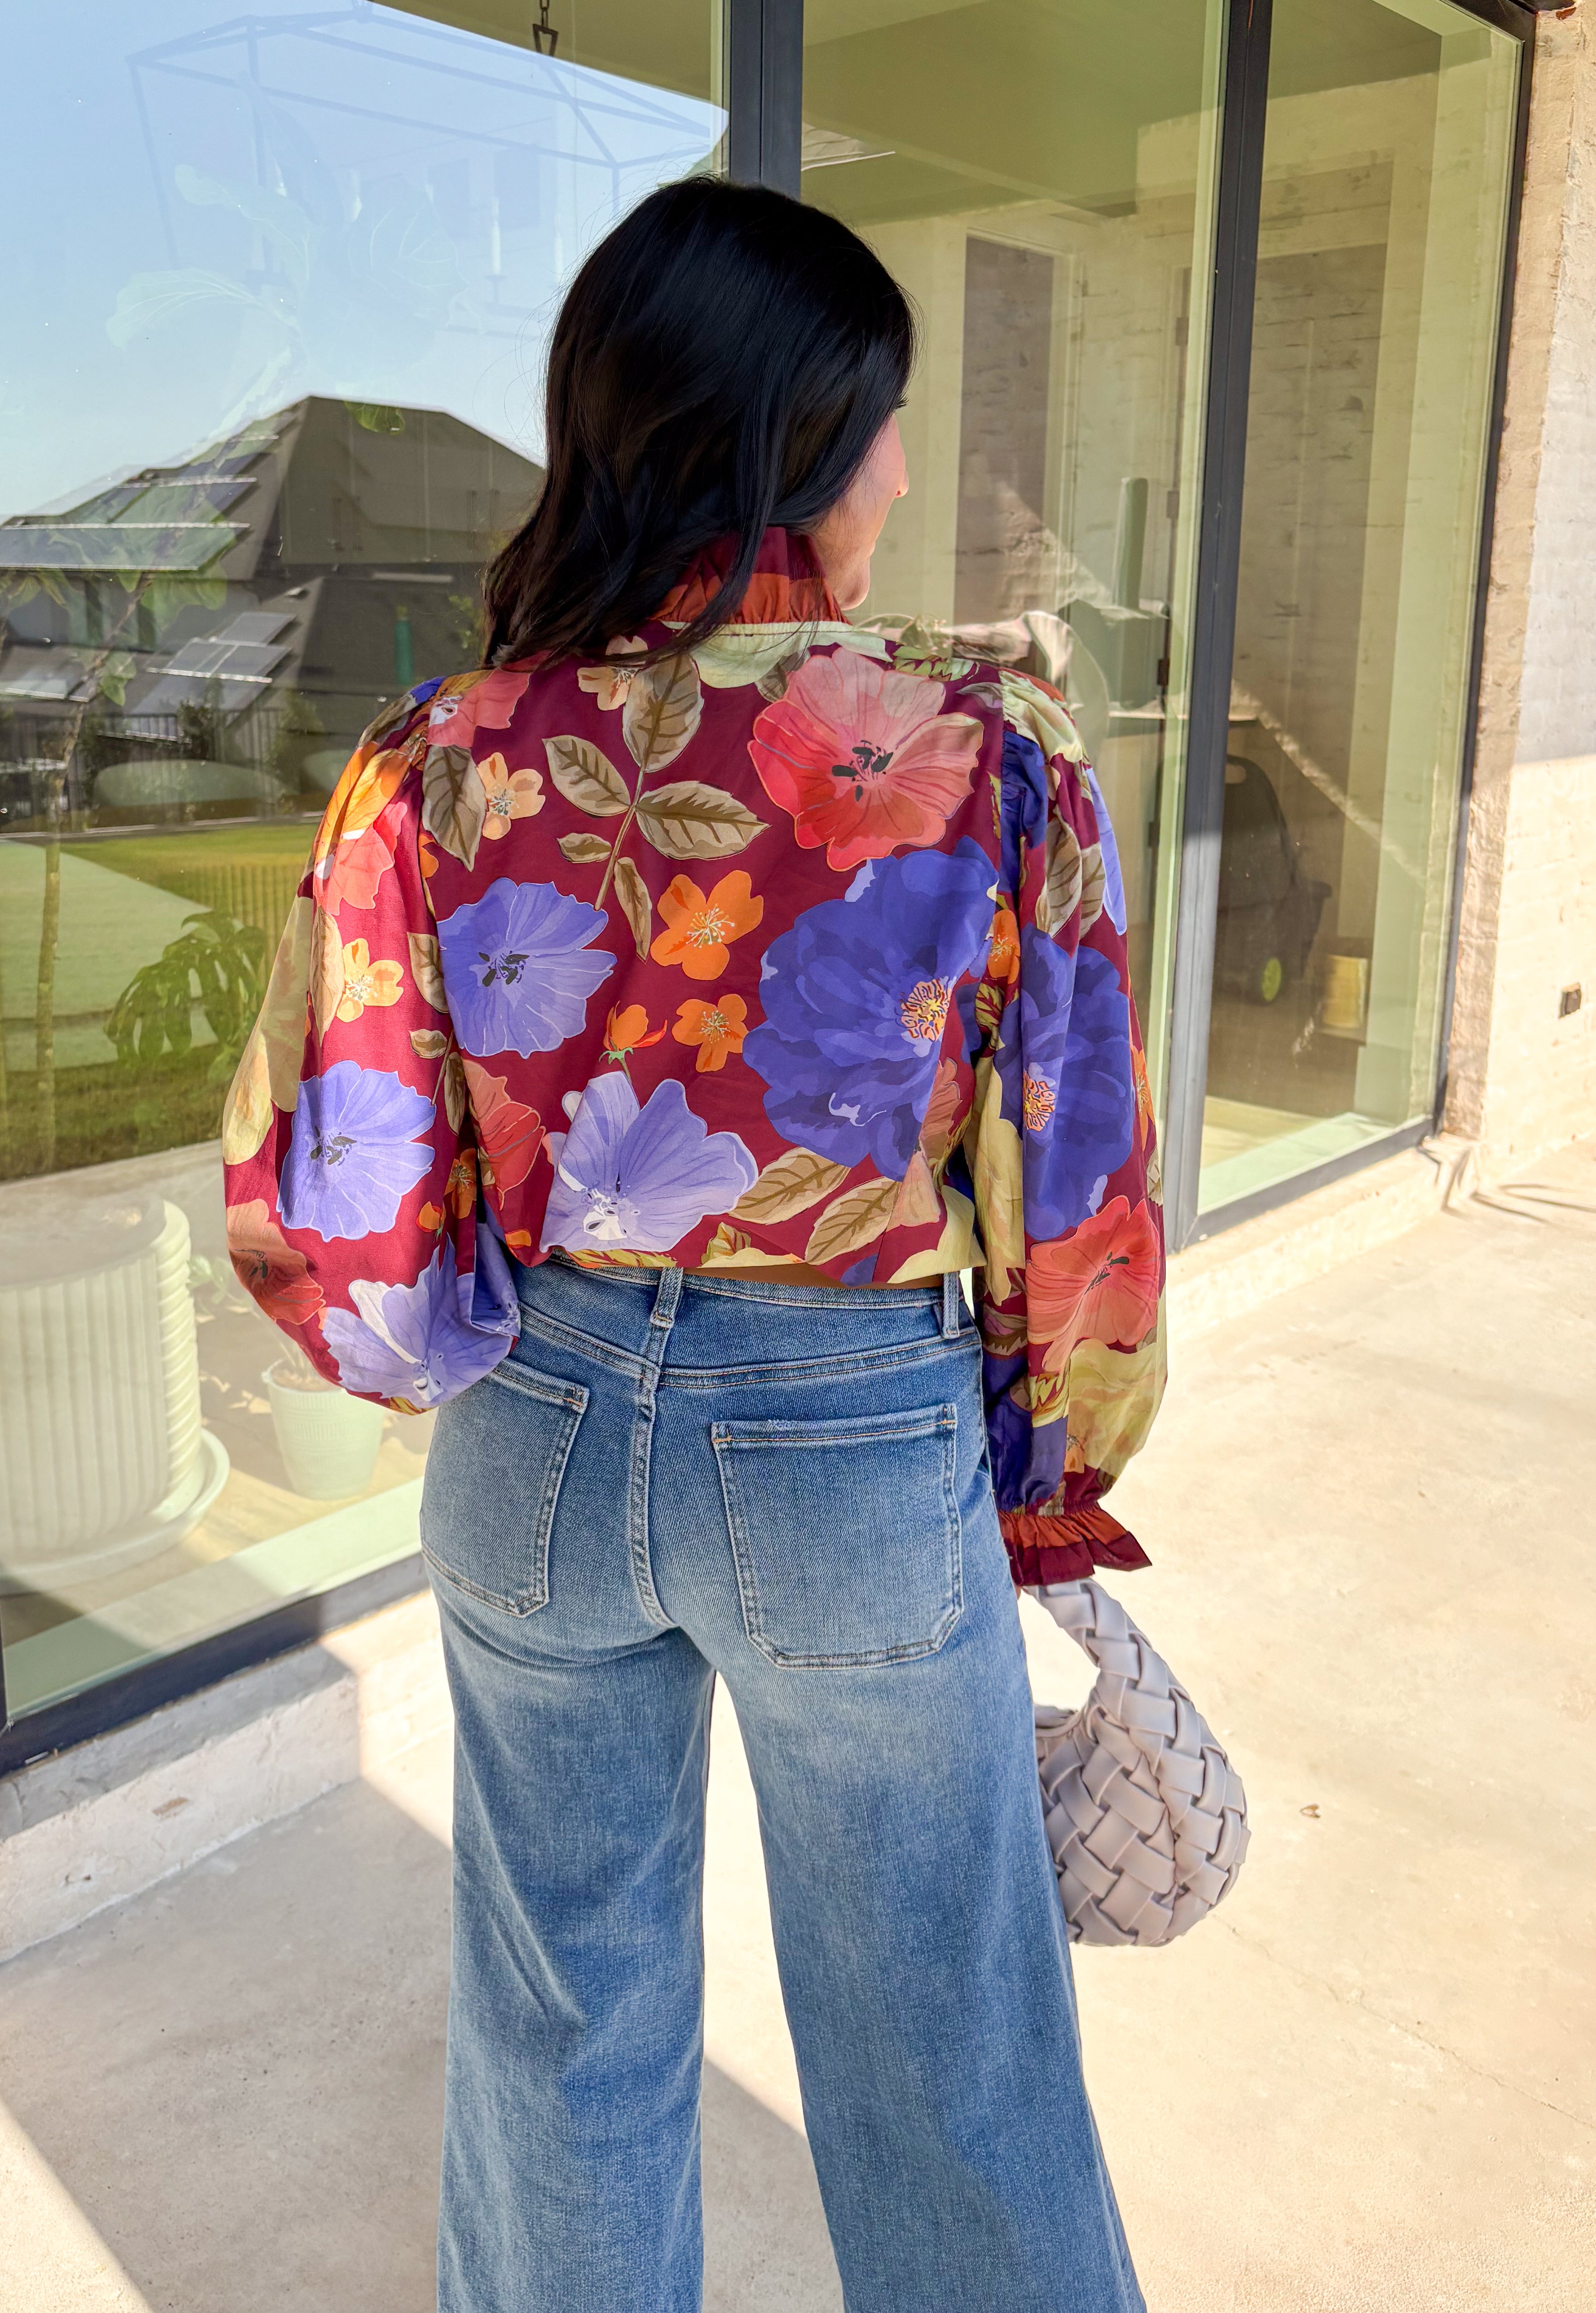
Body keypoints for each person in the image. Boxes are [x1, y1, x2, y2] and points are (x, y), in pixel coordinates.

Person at [224, 176, 1165, 2313]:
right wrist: (1045, 1468)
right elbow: (1077, 1192)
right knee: (948, 2054)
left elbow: (340, 1196)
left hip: (533, 1446)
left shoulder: (435, 765)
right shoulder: (982, 765)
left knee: (560, 2034)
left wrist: (479, 1342)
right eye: (879, 424)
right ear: (787, 441)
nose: (903, 471)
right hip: (846, 1451)